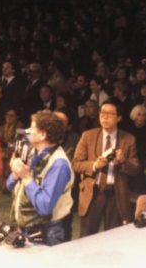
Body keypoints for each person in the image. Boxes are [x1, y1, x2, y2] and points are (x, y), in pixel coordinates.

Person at [7, 110, 74, 245]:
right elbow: (9, 186)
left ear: (43, 134)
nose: (27, 131)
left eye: (32, 128)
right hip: (26, 228)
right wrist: (15, 173)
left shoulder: (59, 164)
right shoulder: (33, 152)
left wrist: (26, 178)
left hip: (49, 233)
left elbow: (44, 207)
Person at [72, 100, 138, 236]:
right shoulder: (87, 136)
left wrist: (123, 162)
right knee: (86, 238)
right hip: (93, 192)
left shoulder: (128, 139)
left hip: (115, 194)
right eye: (102, 112)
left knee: (113, 238)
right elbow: (76, 164)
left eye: (110, 113)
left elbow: (136, 169)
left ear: (119, 118)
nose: (104, 116)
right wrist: (95, 165)